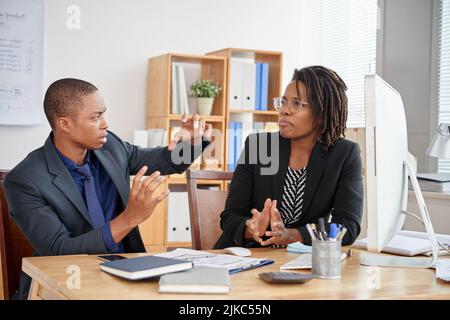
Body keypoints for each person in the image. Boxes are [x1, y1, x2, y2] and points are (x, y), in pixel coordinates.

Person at [4, 78, 211, 299]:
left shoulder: (110, 146)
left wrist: (192, 143)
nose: (105, 123)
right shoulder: (24, 180)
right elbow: (59, 250)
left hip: (126, 276)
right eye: (95, 117)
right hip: (64, 282)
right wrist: (130, 217)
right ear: (64, 124)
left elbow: (166, 161)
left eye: (103, 114)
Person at [214, 66, 363, 249]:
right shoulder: (258, 146)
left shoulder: (344, 155)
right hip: (246, 256)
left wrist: (291, 235)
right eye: (283, 102)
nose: (285, 110)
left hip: (300, 262)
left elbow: (347, 226)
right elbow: (230, 217)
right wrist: (251, 228)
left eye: (297, 103)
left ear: (321, 114)